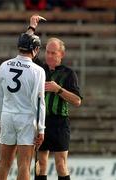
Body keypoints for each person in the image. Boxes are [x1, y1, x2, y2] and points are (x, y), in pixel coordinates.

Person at [0, 14, 46, 180]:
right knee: (24, 164)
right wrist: (41, 128)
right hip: (26, 118)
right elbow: (39, 102)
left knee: (4, 163)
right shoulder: (38, 70)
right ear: (35, 49)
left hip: (7, 116)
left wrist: (1, 120)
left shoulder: (4, 65)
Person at [35, 37, 82, 180]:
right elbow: (27, 48)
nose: (49, 56)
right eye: (47, 52)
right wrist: (32, 27)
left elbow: (77, 101)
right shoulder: (39, 69)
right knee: (40, 164)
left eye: (53, 53)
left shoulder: (68, 73)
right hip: (41, 122)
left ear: (61, 54)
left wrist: (58, 89)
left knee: (60, 164)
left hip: (60, 123)